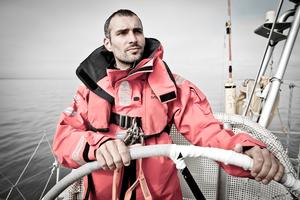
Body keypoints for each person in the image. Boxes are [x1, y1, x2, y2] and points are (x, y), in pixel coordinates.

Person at [53, 9, 284, 200]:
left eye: (137, 31)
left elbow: (206, 129)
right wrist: (98, 145)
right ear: (108, 43)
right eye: (123, 33)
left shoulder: (173, 85)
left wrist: (246, 149)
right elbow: (63, 140)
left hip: (160, 194)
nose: (133, 38)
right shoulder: (89, 90)